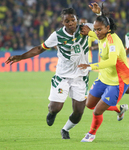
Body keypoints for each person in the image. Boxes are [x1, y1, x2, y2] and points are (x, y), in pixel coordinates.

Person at [5, 8, 93, 139]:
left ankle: (65, 129)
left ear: (77, 20)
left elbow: (105, 28)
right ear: (63, 22)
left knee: (79, 112)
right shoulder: (57, 35)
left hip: (81, 76)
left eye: (73, 20)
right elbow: (40, 48)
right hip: (63, 76)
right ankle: (52, 113)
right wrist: (21, 57)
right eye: (67, 21)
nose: (70, 23)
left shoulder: (86, 29)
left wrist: (99, 14)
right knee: (55, 108)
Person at [78, 2, 129, 142]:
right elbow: (98, 32)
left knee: (97, 111)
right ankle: (119, 109)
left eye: (99, 30)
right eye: (95, 30)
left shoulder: (112, 41)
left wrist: (90, 66)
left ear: (108, 28)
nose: (96, 32)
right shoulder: (102, 35)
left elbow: (112, 61)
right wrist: (90, 29)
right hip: (104, 78)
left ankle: (91, 134)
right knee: (89, 104)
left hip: (118, 82)